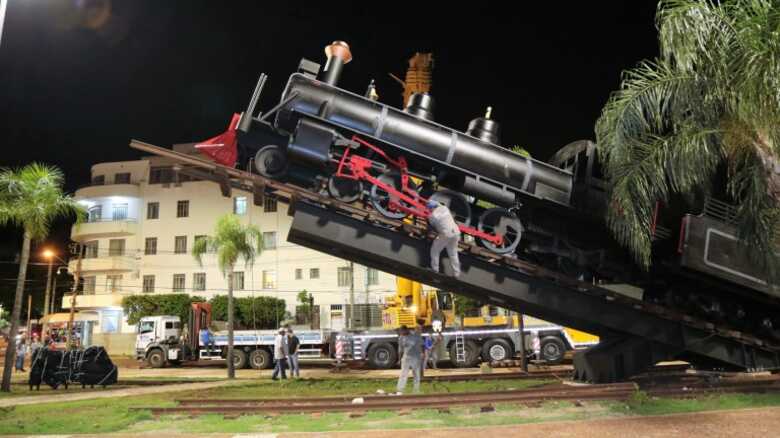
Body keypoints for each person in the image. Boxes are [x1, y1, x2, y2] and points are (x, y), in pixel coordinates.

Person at [427, 200, 461, 277]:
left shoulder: (432, 216)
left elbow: (431, 226)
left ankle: (435, 269)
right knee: (453, 253)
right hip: (456, 232)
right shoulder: (445, 208)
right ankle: (456, 273)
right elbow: (439, 204)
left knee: (435, 250)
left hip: (446, 234)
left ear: (431, 208)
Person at [396, 322, 424, 395]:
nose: (401, 333)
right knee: (403, 374)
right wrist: (399, 359)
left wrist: (422, 353)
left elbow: (422, 344)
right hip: (406, 357)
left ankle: (416, 390)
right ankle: (400, 390)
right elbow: (400, 349)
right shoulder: (401, 338)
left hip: (416, 358)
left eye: (402, 332)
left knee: (416, 374)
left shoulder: (415, 335)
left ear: (406, 330)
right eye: (400, 332)